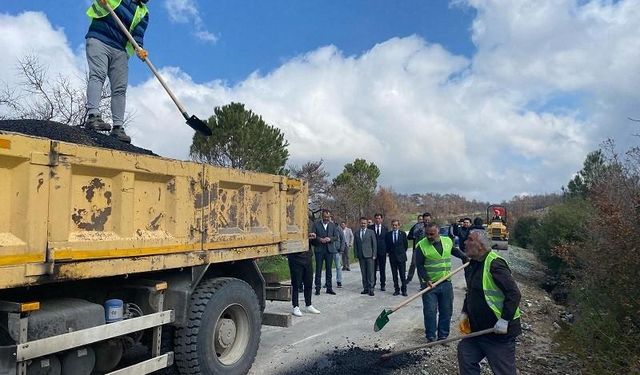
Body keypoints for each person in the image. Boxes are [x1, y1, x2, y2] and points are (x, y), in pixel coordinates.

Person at [84, 0, 150, 143]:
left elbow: (137, 35)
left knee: (120, 88)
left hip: (119, 49)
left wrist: (140, 49)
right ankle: (93, 116)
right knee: (98, 75)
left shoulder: (143, 12)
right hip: (99, 39)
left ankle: (118, 128)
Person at [457, 229, 522, 375]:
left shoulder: (495, 264)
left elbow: (514, 293)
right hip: (478, 330)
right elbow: (472, 292)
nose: (465, 242)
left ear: (480, 245)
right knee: (466, 354)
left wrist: (504, 320)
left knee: (503, 371)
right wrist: (464, 312)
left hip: (498, 333)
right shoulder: (474, 263)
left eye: (469, 239)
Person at [416, 222, 468, 342]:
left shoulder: (447, 241)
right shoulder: (421, 246)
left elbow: (454, 251)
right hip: (430, 285)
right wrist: (426, 279)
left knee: (446, 311)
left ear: (438, 231)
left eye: (432, 234)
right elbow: (419, 265)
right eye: (427, 234)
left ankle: (443, 336)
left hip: (446, 283)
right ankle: (431, 336)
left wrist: (464, 257)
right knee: (430, 312)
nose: (429, 236)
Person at [288, 231, 321, 317]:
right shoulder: (291, 229)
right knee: (296, 284)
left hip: (307, 259)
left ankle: (308, 304)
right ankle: (295, 306)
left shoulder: (307, 226)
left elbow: (316, 243)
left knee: (308, 283)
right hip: (296, 259)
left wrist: (315, 237)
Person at [310, 209, 341, 295]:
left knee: (329, 270)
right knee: (318, 269)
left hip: (329, 250)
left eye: (328, 217)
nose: (326, 218)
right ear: (322, 216)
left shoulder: (332, 225)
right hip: (319, 249)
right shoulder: (316, 224)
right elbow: (312, 236)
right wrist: (320, 239)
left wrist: (330, 239)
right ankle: (318, 288)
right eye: (325, 217)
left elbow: (336, 237)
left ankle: (329, 288)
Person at [384, 219, 409, 296]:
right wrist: (390, 253)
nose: (394, 226)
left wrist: (401, 253)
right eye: (393, 225)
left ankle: (404, 290)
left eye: (396, 225)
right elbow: (387, 246)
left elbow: (405, 245)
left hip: (401, 257)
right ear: (392, 226)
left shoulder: (403, 234)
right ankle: (396, 289)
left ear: (399, 226)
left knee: (402, 275)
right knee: (394, 275)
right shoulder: (388, 235)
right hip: (392, 257)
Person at [354, 217, 377, 296]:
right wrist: (356, 254)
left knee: (370, 273)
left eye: (364, 223)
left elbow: (374, 244)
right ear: (359, 223)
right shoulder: (356, 233)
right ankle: (365, 288)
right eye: (362, 223)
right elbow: (355, 245)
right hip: (361, 256)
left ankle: (371, 289)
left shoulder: (371, 232)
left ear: (367, 224)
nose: (363, 224)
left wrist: (374, 254)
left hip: (369, 255)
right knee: (363, 273)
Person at [406, 212, 431, 283]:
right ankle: (419, 282)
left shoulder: (432, 226)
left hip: (429, 249)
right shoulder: (418, 226)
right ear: (423, 219)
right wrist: (420, 230)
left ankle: (428, 280)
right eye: (425, 220)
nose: (427, 221)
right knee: (415, 264)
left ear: (430, 219)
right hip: (418, 249)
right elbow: (413, 235)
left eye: (428, 220)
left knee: (426, 266)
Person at [369, 213, 388, 291]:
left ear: (381, 219)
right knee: (373, 269)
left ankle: (383, 284)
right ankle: (372, 284)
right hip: (373, 252)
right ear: (374, 219)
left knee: (382, 269)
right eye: (376, 218)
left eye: (379, 218)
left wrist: (387, 251)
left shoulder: (385, 228)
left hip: (382, 252)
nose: (377, 220)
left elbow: (387, 240)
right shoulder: (370, 228)